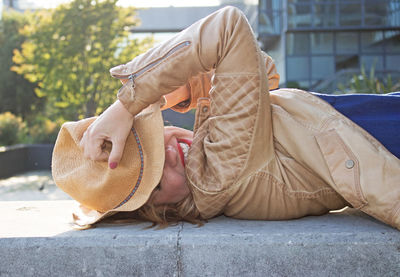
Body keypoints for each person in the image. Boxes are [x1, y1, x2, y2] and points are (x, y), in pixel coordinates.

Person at [52, 6, 400, 230]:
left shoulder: (212, 163)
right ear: (158, 211)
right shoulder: (218, 174)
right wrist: (127, 104)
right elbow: (229, 28)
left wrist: (172, 92)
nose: (171, 154)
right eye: (156, 180)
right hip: (384, 135)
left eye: (154, 141)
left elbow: (263, 74)